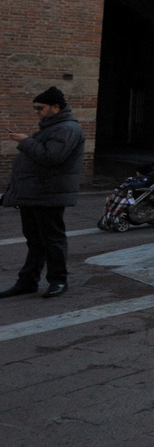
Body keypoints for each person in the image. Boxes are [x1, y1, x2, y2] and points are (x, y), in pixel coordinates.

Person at [1, 87, 85, 298]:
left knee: (52, 240)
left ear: (56, 108)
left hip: (49, 194)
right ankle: (28, 281)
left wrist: (25, 141)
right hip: (35, 194)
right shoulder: (52, 127)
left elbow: (51, 157)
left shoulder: (66, 129)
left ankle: (58, 280)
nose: (36, 111)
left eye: (40, 108)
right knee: (35, 241)